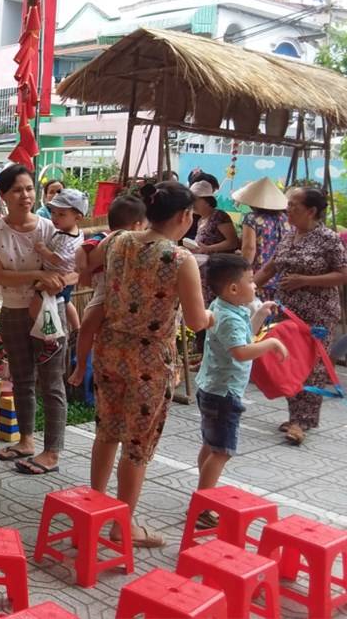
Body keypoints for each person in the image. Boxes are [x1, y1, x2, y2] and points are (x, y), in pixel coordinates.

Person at [86, 181, 212, 547]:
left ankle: (94, 511)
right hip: (149, 359)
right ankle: (122, 526)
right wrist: (212, 319)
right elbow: (195, 320)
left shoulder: (119, 240)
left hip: (109, 348)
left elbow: (90, 263)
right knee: (137, 445)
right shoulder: (179, 259)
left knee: (107, 431)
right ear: (185, 217)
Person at [0, 164, 77, 474]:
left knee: (51, 382)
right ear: (3, 196)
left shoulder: (50, 229)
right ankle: (26, 441)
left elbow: (73, 269)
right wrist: (39, 274)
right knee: (21, 379)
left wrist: (55, 280)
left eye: (29, 189)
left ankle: (52, 451)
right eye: (17, 190)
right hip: (12, 312)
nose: (25, 195)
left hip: (49, 313)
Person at [253, 187, 347, 445]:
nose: (288, 209)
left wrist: (305, 280)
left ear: (311, 210)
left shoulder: (328, 238)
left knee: (313, 366)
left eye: (294, 205)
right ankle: (295, 414)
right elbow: (271, 266)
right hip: (289, 310)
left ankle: (301, 421)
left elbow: (343, 273)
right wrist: (247, 288)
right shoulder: (289, 235)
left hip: (318, 314)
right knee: (288, 360)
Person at [195, 254, 286, 506]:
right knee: (221, 451)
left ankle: (202, 492)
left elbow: (245, 336)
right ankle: (203, 506)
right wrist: (271, 343)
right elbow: (241, 351)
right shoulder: (230, 317)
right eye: (250, 280)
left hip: (212, 388)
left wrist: (261, 313)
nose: (255, 285)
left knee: (210, 445)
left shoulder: (224, 307)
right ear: (234, 288)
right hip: (224, 394)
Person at [68, 194, 147, 388]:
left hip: (128, 294)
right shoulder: (107, 237)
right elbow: (81, 251)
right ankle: (80, 367)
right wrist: (84, 270)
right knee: (87, 325)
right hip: (106, 289)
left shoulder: (143, 244)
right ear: (137, 225)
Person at [30, 188, 88, 361]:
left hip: (56, 278)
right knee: (67, 301)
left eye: (61, 214)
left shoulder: (64, 238)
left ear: (78, 217)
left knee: (36, 307)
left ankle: (50, 341)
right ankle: (77, 328)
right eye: (53, 213)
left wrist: (42, 250)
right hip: (66, 279)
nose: (55, 218)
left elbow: (56, 259)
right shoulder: (76, 232)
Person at [232, 177, 290, 301]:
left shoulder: (252, 219)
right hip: (281, 277)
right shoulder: (285, 219)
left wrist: (242, 272)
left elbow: (249, 248)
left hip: (259, 277)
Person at [190, 179, 238, 316]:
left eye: (196, 200)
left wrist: (208, 249)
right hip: (203, 265)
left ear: (206, 201)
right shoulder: (200, 220)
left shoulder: (219, 216)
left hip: (217, 268)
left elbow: (232, 242)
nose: (193, 205)